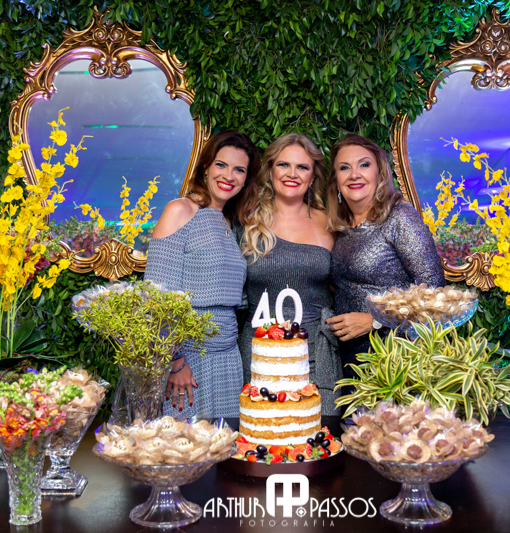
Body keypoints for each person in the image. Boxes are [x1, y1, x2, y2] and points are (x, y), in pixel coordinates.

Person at [144, 131, 260, 418]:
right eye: (221, 165)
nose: (229, 176)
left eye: (239, 170)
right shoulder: (181, 210)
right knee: (184, 443)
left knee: (223, 443)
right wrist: (175, 361)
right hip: (188, 360)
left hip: (227, 360)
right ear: (206, 167)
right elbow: (156, 297)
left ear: (246, 179)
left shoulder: (229, 223)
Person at [325, 134, 446, 384]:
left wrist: (376, 320)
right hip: (349, 361)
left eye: (364, 165)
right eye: (344, 168)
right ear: (336, 180)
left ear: (379, 173)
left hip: (395, 361)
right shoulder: (340, 227)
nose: (354, 174)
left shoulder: (399, 217)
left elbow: (435, 293)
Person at [237, 133, 341, 415]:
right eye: (283, 165)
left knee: (320, 433)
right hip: (259, 356)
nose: (292, 174)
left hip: (318, 355)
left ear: (313, 176)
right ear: (270, 170)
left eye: (302, 167)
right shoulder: (246, 219)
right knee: (264, 431)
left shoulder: (331, 222)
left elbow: (345, 286)